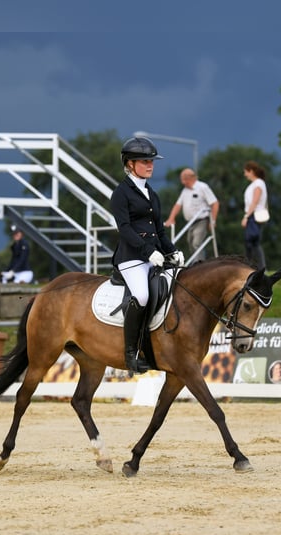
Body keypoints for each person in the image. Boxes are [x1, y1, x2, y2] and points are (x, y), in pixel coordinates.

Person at [110, 136, 184, 373]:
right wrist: (148, 251)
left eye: (151, 161)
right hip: (131, 258)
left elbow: (159, 231)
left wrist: (172, 251)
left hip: (154, 257)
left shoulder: (152, 194)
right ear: (130, 164)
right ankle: (130, 354)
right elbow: (125, 229)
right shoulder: (121, 193)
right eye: (144, 161)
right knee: (141, 296)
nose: (150, 165)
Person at [163, 168, 220, 262]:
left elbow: (215, 203)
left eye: (184, 178)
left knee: (196, 243)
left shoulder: (202, 187)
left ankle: (200, 265)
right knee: (190, 242)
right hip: (190, 222)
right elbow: (178, 205)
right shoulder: (185, 190)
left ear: (191, 178)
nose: (182, 181)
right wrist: (171, 218)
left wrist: (213, 221)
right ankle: (196, 262)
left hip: (202, 219)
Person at [241, 160, 268, 269]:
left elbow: (255, 201)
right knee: (252, 242)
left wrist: (246, 216)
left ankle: (255, 266)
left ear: (251, 171)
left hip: (254, 215)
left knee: (251, 242)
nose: (245, 175)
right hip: (253, 215)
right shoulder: (256, 184)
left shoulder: (258, 183)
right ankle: (254, 266)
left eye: (246, 172)